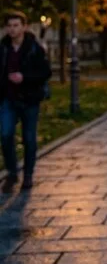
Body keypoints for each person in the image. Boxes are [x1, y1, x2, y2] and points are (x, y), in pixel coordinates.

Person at [1, 11, 52, 193]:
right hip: (8, 98)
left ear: (24, 27)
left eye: (16, 25)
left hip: (29, 99)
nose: (12, 29)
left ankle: (28, 174)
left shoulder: (34, 48)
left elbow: (45, 72)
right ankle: (12, 173)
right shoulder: (3, 48)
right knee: (6, 134)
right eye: (9, 26)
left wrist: (24, 77)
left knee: (29, 138)